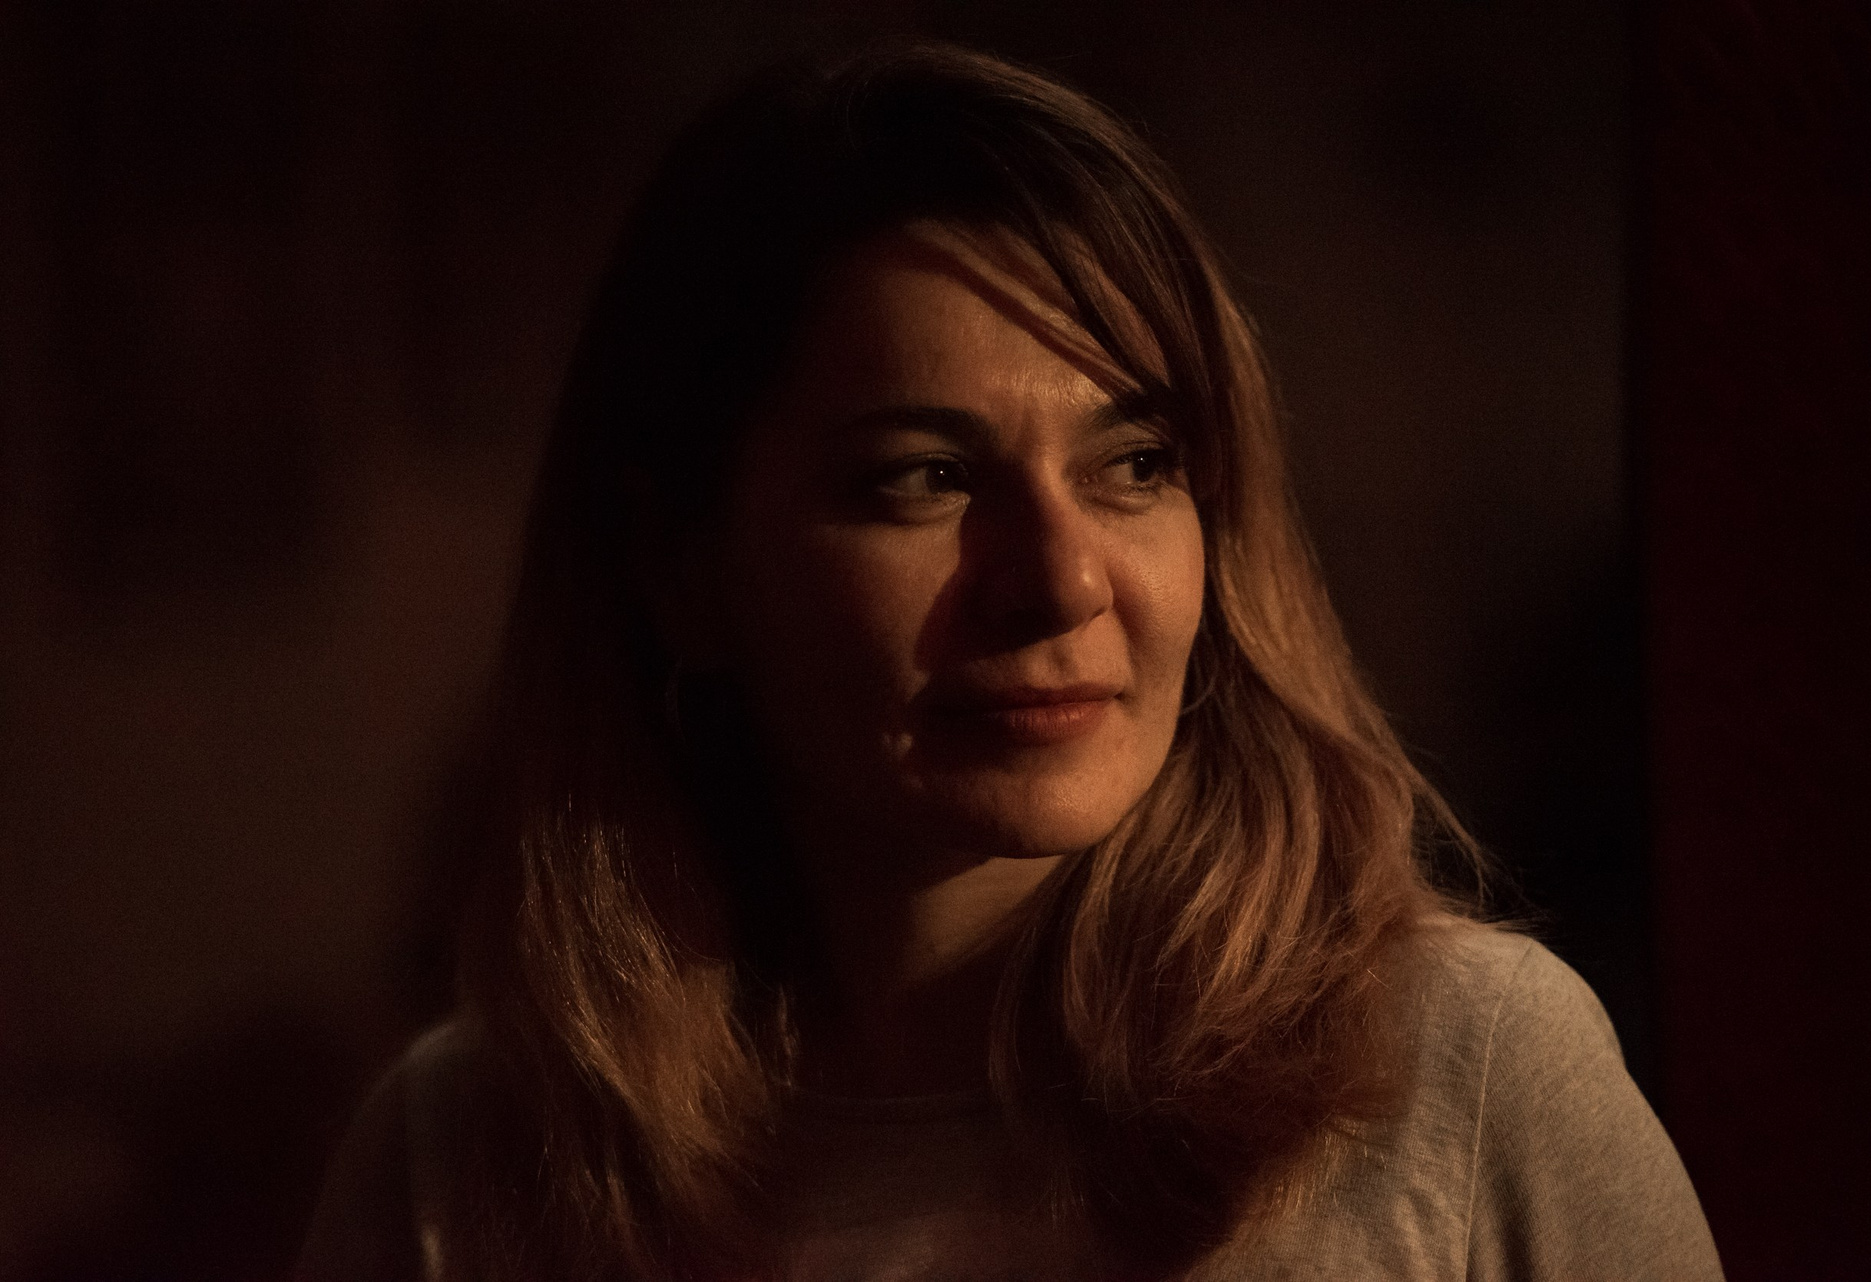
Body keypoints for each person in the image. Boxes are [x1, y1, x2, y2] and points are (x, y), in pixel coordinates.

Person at [298, 41, 1722, 1281]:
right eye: (923, 476)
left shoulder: (1462, 1074)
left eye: (1137, 462)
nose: (1061, 580)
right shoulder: (467, 1156)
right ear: (681, 569)